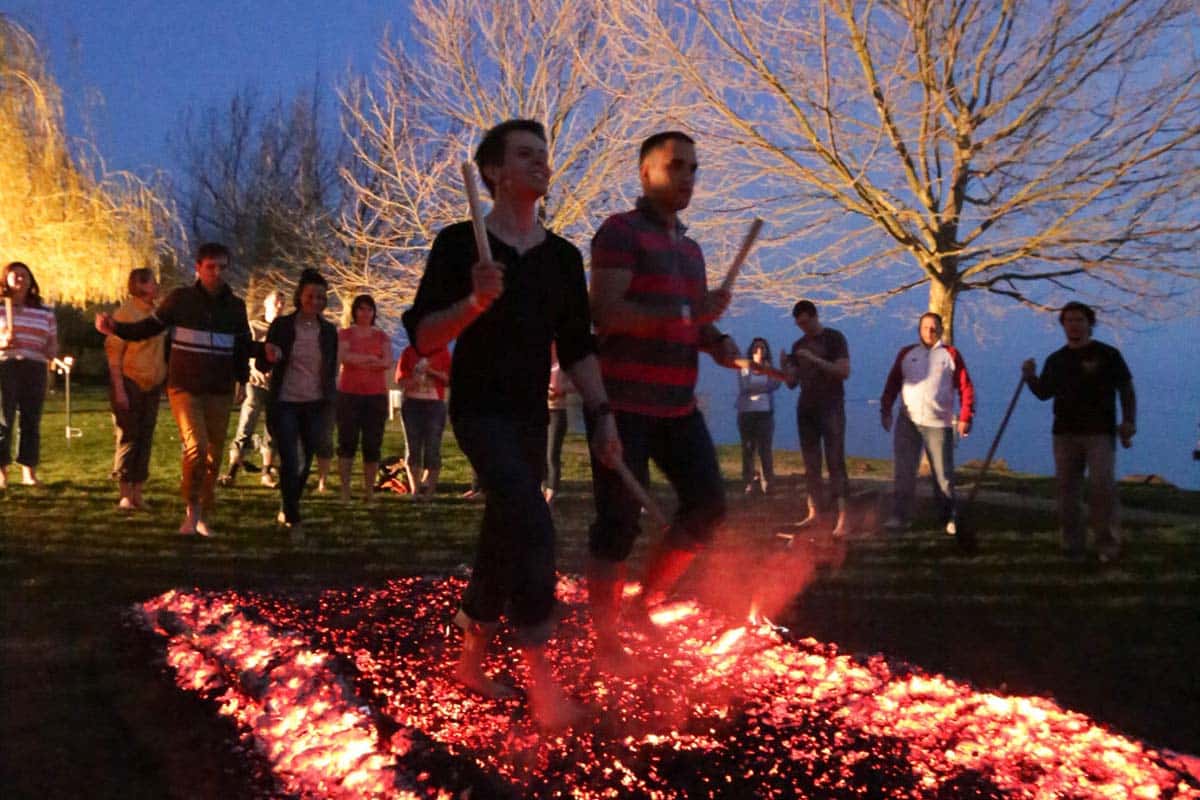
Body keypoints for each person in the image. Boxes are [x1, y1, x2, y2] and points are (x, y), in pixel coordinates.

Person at [402, 119, 621, 729]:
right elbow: (422, 337)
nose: (540, 165)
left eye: (543, 156)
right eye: (525, 155)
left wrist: (602, 416)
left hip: (531, 416)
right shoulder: (458, 245)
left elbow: (577, 347)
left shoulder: (561, 258)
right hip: (477, 411)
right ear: (493, 171)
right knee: (532, 522)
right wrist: (472, 303)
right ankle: (541, 683)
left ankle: (470, 660)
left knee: (503, 531)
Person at [587, 131, 739, 668]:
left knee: (708, 506)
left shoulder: (690, 249)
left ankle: (643, 604)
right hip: (624, 402)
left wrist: (718, 343)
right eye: (676, 167)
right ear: (646, 173)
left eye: (694, 168)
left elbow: (692, 324)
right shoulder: (619, 232)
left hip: (677, 404)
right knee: (619, 520)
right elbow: (605, 312)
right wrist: (687, 317)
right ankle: (604, 631)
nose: (688, 178)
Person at [96, 242, 260, 537]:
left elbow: (243, 346)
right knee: (195, 446)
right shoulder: (180, 299)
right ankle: (191, 510)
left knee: (213, 453)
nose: (216, 272)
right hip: (185, 386)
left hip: (220, 388)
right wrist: (116, 328)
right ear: (198, 268)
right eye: (211, 266)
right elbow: (148, 327)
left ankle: (203, 514)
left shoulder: (234, 306)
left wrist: (257, 363)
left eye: (222, 267)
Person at [1022, 301, 1135, 563]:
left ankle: (1107, 546)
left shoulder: (1108, 354)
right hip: (1064, 433)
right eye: (1069, 320)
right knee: (1067, 491)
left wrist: (1129, 420)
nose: (1074, 325)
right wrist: (1030, 376)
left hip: (1099, 433)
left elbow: (1126, 389)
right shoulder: (1057, 359)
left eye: (1079, 320)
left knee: (1101, 488)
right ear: (1063, 325)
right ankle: (1072, 545)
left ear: (1090, 324)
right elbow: (1043, 393)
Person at [258, 269, 338, 535]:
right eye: (310, 296)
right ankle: (293, 518)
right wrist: (271, 355)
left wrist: (331, 400)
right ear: (299, 297)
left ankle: (288, 504)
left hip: (315, 403)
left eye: (320, 297)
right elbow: (262, 361)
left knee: (306, 461)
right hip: (285, 401)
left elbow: (329, 367)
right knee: (291, 460)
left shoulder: (328, 331)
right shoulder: (282, 326)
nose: (315, 301)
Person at [880, 312, 975, 535]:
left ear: (940, 330)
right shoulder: (907, 354)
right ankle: (900, 516)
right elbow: (892, 383)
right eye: (925, 328)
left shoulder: (950, 354)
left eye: (934, 328)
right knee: (904, 471)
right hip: (908, 422)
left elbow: (965, 386)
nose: (930, 332)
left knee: (943, 475)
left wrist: (965, 416)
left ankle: (947, 517)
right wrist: (886, 410)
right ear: (919, 330)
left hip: (939, 424)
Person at [104, 268, 167, 510]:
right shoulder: (125, 314)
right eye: (153, 282)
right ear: (140, 285)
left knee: (145, 437)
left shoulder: (157, 315)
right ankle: (125, 493)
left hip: (152, 385)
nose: (157, 286)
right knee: (128, 437)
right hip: (130, 381)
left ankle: (139, 492)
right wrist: (119, 389)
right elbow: (114, 355)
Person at [0, 262, 58, 488]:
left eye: (25, 275)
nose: (20, 279)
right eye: (15, 275)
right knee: (3, 420)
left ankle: (28, 472)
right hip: (5, 366)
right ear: (6, 279)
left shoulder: (45, 312)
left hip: (35, 367)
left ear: (31, 280)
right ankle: (2, 474)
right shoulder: (1, 309)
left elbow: (52, 342)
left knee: (31, 420)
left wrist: (51, 351)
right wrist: (3, 343)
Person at [220, 289, 285, 488]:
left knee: (272, 428)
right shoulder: (254, 326)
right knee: (247, 423)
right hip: (255, 383)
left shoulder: (286, 329)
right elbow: (244, 351)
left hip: (277, 385)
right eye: (276, 303)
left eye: (282, 303)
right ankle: (232, 470)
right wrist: (251, 370)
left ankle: (266, 471)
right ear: (266, 304)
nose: (279, 307)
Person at [336, 294, 392, 503]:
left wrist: (360, 360)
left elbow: (386, 361)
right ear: (355, 311)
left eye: (369, 309)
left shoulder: (382, 337)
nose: (365, 313)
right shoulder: (345, 334)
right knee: (346, 443)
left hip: (375, 396)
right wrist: (370, 359)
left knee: (372, 445)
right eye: (361, 309)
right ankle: (345, 491)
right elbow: (343, 357)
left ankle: (369, 491)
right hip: (349, 394)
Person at [395, 341, 451, 498]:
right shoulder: (408, 351)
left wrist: (431, 371)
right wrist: (416, 378)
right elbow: (400, 380)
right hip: (412, 404)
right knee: (413, 447)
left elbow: (448, 379)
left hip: (434, 404)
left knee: (433, 447)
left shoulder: (442, 352)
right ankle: (415, 490)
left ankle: (429, 492)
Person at [735, 337, 781, 496]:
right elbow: (745, 386)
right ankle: (748, 482)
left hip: (765, 413)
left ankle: (768, 483)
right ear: (751, 350)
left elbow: (777, 384)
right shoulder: (744, 366)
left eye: (762, 348)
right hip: (746, 413)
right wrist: (764, 387)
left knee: (765, 449)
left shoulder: (770, 368)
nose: (759, 351)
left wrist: (767, 375)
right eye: (756, 348)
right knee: (748, 449)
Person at [544, 342, 575, 506]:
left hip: (557, 412)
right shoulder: (539, 362)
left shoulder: (563, 365)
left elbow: (577, 384)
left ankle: (552, 489)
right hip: (540, 412)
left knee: (551, 453)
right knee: (540, 451)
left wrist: (562, 389)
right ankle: (543, 485)